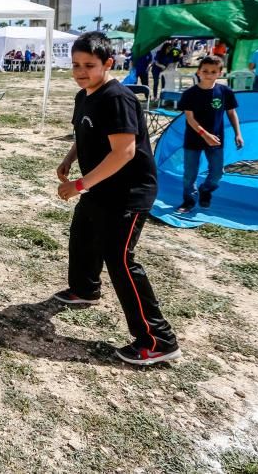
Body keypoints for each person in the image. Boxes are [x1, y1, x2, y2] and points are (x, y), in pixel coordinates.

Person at [54, 31, 180, 366]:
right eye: (76, 64)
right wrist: (69, 159)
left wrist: (80, 185)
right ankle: (85, 289)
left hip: (129, 192)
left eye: (89, 65)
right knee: (83, 235)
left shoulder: (118, 98)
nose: (81, 71)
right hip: (101, 187)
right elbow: (84, 132)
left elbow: (123, 153)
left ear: (108, 63)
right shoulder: (85, 95)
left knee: (120, 259)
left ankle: (158, 340)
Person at [177, 55, 244, 214]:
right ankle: (189, 201)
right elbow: (190, 118)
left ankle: (205, 190)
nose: (208, 74)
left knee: (217, 172)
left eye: (213, 71)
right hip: (193, 139)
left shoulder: (225, 92)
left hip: (216, 139)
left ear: (220, 73)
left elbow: (232, 113)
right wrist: (204, 134)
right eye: (205, 70)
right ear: (198, 72)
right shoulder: (190, 93)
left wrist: (238, 134)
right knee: (190, 173)